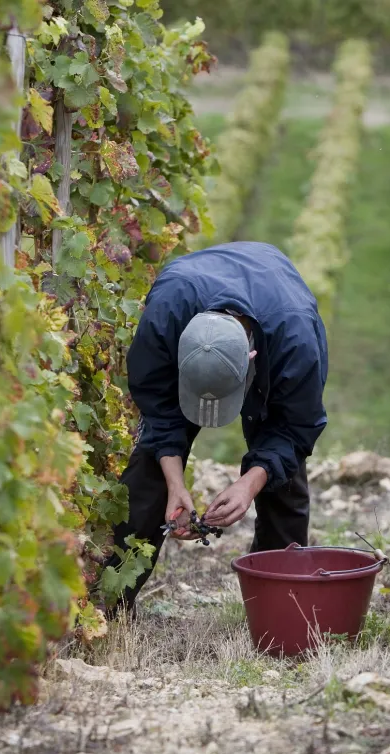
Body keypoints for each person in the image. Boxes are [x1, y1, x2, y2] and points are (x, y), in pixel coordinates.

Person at [101, 241, 329, 616]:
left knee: (282, 478)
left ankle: (280, 615)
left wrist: (249, 484)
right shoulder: (165, 316)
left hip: (277, 307)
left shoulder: (297, 340)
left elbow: (294, 428)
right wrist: (175, 486)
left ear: (251, 361)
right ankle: (110, 606)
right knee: (148, 473)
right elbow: (160, 412)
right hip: (197, 296)